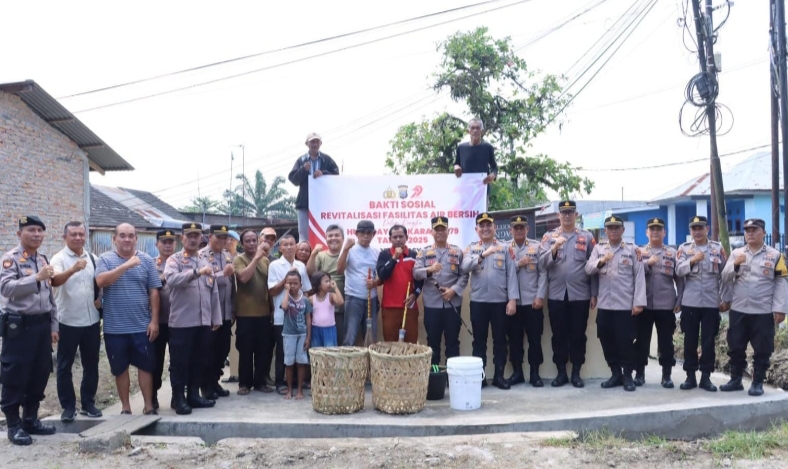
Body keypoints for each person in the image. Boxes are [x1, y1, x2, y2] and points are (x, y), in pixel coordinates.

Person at [0, 215, 58, 445]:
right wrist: (35, 278)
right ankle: (14, 425)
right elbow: (6, 288)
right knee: (15, 375)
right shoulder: (11, 259)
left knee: (40, 372)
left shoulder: (42, 259)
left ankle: (31, 419)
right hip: (19, 328)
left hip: (42, 326)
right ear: (19, 234)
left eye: (40, 231)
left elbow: (50, 296)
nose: (36, 234)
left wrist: (54, 325)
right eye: (31, 230)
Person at [95, 223, 160, 416]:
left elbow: (154, 292)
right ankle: (125, 407)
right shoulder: (105, 259)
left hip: (142, 325)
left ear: (136, 239)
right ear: (114, 239)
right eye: (122, 235)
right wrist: (126, 265)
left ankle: (148, 405)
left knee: (146, 367)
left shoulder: (147, 260)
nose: (127, 239)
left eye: (131, 236)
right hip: (115, 327)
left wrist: (154, 320)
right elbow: (101, 281)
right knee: (120, 368)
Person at [720, 218, 788, 396]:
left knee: (762, 348)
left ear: (763, 233)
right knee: (735, 346)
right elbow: (725, 278)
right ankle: (735, 380)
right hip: (739, 309)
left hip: (763, 311)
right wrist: (735, 265)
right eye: (747, 230)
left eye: (754, 230)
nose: (750, 233)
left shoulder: (775, 255)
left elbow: (781, 282)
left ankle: (757, 382)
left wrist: (780, 308)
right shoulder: (737, 253)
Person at [539, 200, 599, 388]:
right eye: (563, 212)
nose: (567, 215)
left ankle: (576, 373)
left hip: (580, 295)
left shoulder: (587, 237)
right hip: (557, 294)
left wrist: (594, 293)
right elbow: (542, 263)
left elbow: (593, 266)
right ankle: (561, 372)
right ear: (558, 215)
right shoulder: (549, 237)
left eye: (570, 212)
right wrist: (554, 248)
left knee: (578, 335)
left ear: (576, 215)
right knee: (559, 335)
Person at [164, 222, 222, 415]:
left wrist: (216, 317)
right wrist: (195, 273)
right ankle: (178, 398)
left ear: (201, 238)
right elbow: (172, 279)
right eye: (189, 235)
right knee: (180, 362)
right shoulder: (175, 260)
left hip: (203, 321)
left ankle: (194, 395)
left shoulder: (206, 261)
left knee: (199, 360)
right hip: (182, 322)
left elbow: (213, 291)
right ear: (182, 238)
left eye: (196, 235)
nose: (192, 239)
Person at [585, 216, 647, 392]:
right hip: (605, 304)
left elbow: (639, 277)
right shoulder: (598, 249)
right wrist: (602, 260)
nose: (613, 231)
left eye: (616, 228)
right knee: (606, 339)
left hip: (625, 305)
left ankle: (628, 375)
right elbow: (588, 269)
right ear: (605, 231)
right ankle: (615, 373)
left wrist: (638, 303)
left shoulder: (632, 250)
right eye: (610, 228)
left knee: (626, 342)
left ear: (622, 230)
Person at [50, 221, 102, 422]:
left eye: (81, 234)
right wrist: (72, 269)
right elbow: (54, 280)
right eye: (74, 234)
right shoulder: (59, 258)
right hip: (67, 321)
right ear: (65, 237)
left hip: (91, 320)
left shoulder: (92, 257)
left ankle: (88, 402)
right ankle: (68, 406)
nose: (78, 238)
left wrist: (100, 298)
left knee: (92, 364)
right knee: (65, 366)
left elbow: (98, 282)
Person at [461, 213, 519, 390]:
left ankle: (499, 376)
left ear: (494, 228)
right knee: (479, 340)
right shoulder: (471, 249)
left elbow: (511, 275)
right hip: (478, 302)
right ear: (476, 229)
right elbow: (464, 267)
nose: (485, 228)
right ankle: (481, 377)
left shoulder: (505, 248)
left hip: (500, 302)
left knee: (500, 340)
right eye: (482, 226)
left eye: (489, 225)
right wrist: (482, 255)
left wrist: (512, 300)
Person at [675, 215, 731, 392]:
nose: (697, 231)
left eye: (700, 228)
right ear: (690, 231)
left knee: (708, 341)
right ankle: (690, 376)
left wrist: (725, 299)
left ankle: (706, 377)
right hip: (690, 302)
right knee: (690, 340)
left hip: (711, 303)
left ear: (707, 229)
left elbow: (726, 274)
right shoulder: (684, 249)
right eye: (694, 228)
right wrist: (691, 261)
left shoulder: (717, 248)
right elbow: (677, 271)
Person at [413, 217, 468, 366]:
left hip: (452, 304)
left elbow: (464, 275)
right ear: (431, 232)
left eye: (443, 229)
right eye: (437, 229)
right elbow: (416, 273)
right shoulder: (424, 252)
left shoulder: (457, 251)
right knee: (433, 343)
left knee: (452, 343)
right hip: (432, 305)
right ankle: (436, 378)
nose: (440, 232)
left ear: (448, 231)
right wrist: (429, 270)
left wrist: (454, 290)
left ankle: (452, 378)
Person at [636, 218, 684, 388]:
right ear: (646, 232)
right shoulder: (639, 252)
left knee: (666, 341)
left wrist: (680, 299)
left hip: (666, 304)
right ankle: (640, 374)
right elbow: (633, 274)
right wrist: (647, 264)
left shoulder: (672, 253)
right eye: (652, 229)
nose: (655, 232)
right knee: (642, 340)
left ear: (664, 232)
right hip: (644, 303)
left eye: (659, 229)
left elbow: (679, 278)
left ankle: (666, 375)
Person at [267, 235, 312, 395]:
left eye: (292, 244)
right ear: (280, 248)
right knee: (282, 351)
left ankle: (295, 383)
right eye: (285, 245)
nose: (289, 247)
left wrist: (307, 311)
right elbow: (272, 291)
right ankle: (281, 382)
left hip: (299, 319)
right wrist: (286, 279)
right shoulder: (274, 265)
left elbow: (306, 290)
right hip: (282, 316)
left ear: (296, 246)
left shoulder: (300, 265)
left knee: (300, 352)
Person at [506, 216, 547, 387]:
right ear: (511, 230)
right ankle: (517, 373)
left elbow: (543, 273)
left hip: (532, 302)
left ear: (527, 229)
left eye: (522, 227)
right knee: (514, 339)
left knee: (535, 339)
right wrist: (518, 264)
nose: (519, 231)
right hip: (514, 302)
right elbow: (505, 272)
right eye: (516, 228)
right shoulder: (506, 248)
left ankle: (535, 374)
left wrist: (540, 296)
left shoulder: (537, 247)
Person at [233, 230, 273, 395]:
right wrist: (256, 257)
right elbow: (243, 278)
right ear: (242, 244)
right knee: (245, 350)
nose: (251, 243)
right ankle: (244, 383)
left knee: (263, 351)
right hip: (245, 314)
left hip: (263, 313)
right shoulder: (239, 259)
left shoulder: (266, 261)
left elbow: (269, 286)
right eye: (247, 241)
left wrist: (271, 308)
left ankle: (260, 382)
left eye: (253, 240)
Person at [199, 225, 235, 400]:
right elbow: (202, 280)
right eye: (218, 237)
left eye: (225, 238)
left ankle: (215, 382)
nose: (222, 241)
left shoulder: (227, 256)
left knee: (222, 350)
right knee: (208, 351)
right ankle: (206, 386)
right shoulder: (202, 256)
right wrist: (222, 274)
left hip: (226, 311)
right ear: (209, 236)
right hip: (211, 313)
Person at [288, 132, 340, 242]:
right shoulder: (301, 160)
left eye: (317, 141)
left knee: (324, 231)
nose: (314, 144)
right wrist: (303, 170)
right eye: (312, 141)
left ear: (320, 143)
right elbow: (294, 180)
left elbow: (336, 176)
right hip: (304, 203)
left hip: (323, 204)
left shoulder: (327, 159)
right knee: (304, 234)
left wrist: (324, 173)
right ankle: (304, 255)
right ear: (307, 144)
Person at [337, 220, 381, 345]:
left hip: (371, 299)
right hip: (353, 298)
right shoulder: (349, 250)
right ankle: (348, 364)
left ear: (374, 234)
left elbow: (382, 276)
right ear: (356, 234)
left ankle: (369, 364)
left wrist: (374, 283)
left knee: (371, 338)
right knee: (350, 336)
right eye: (362, 233)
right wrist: (345, 248)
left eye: (369, 233)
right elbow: (339, 270)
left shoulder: (376, 252)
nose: (365, 236)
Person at [377, 225, 422, 343]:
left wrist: (415, 294)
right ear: (389, 239)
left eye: (401, 236)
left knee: (411, 343)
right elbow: (382, 275)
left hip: (409, 306)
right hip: (389, 307)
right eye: (394, 237)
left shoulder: (414, 255)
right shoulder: (384, 254)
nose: (398, 239)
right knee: (390, 343)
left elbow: (420, 279)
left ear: (406, 237)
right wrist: (394, 258)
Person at [306, 224, 346, 342]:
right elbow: (311, 272)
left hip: (344, 305)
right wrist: (313, 254)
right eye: (330, 236)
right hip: (323, 306)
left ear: (343, 238)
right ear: (325, 238)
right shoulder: (320, 255)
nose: (333, 238)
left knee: (340, 340)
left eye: (337, 235)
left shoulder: (348, 253)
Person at [152, 229, 177, 409]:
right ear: (157, 244)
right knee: (155, 361)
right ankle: (152, 394)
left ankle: (177, 395)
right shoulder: (150, 265)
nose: (167, 245)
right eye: (164, 242)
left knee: (178, 361)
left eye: (170, 242)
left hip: (179, 321)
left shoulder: (182, 264)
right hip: (157, 321)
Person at [280, 271, 313, 399]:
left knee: (301, 362)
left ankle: (299, 389)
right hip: (289, 335)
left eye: (295, 283)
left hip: (302, 335)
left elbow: (308, 319)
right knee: (289, 363)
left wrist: (308, 337)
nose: (292, 286)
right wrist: (286, 292)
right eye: (289, 283)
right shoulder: (287, 298)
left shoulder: (305, 300)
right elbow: (283, 307)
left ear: (301, 284)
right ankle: (289, 390)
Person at [453, 118, 497, 197]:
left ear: (482, 131)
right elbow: (456, 163)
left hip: (483, 191)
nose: (475, 130)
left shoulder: (488, 147)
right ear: (468, 131)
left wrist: (493, 175)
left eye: (478, 128)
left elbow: (494, 167)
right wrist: (456, 167)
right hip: (464, 191)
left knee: (483, 210)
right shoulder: (461, 148)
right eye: (472, 128)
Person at [309, 271, 343, 347]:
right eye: (326, 281)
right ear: (318, 285)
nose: (329, 283)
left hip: (329, 329)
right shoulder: (311, 299)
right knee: (317, 352)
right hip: (316, 329)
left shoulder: (331, 296)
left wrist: (336, 288)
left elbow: (340, 302)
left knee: (329, 353)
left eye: (329, 280)